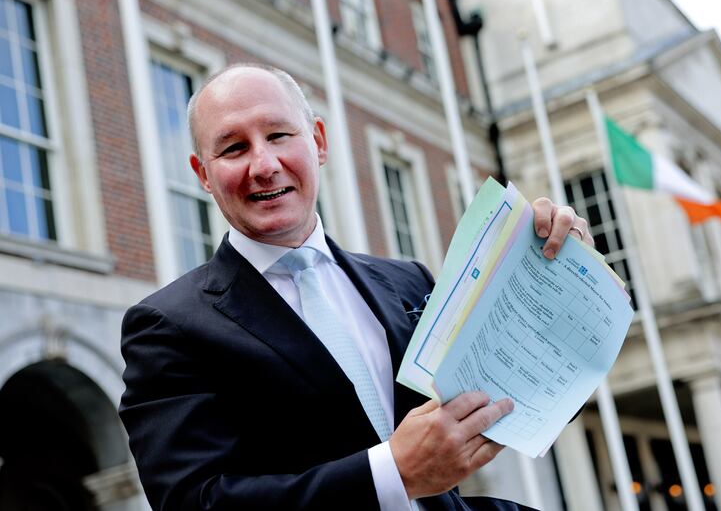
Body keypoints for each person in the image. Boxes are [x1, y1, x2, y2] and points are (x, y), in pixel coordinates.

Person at [118, 64, 593, 511]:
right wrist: (393, 472)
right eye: (233, 148)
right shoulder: (167, 327)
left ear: (319, 141)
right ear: (203, 173)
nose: (263, 165)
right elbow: (195, 501)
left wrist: (555, 277)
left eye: (279, 135)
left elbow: (519, 401)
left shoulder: (408, 281)